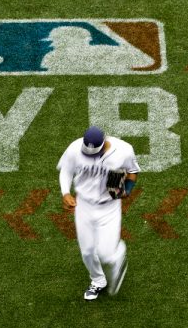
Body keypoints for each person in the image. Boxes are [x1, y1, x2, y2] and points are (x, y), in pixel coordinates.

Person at [57, 126, 140, 300]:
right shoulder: (74, 148)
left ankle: (118, 255)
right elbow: (66, 170)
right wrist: (65, 192)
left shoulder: (123, 150)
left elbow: (132, 170)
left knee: (105, 254)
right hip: (84, 205)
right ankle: (97, 280)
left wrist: (128, 190)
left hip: (109, 206)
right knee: (87, 251)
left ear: (104, 144)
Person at [40, 26, 153, 74]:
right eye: (55, 40)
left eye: (59, 39)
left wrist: (106, 64)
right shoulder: (52, 56)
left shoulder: (107, 51)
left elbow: (146, 61)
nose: (54, 43)